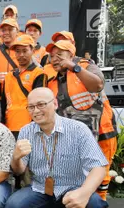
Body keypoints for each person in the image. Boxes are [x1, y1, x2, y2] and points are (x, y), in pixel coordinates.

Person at [5, 87, 109, 208]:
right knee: (14, 204)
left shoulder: (78, 129)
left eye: (41, 105)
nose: (36, 111)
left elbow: (99, 167)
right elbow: (19, 171)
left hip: (74, 188)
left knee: (95, 203)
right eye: (31, 107)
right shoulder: (26, 131)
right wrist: (16, 158)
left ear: (55, 104)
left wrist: (84, 193)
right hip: (40, 189)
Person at [45, 40, 117, 201]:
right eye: (51, 56)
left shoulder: (86, 66)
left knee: (100, 179)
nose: (55, 59)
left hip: (102, 133)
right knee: (80, 180)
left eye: (59, 55)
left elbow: (97, 85)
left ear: (71, 55)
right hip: (76, 140)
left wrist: (73, 67)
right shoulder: (52, 80)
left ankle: (100, 203)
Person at [4, 34, 47, 138]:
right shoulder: (9, 76)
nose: (21, 55)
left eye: (24, 50)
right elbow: (3, 103)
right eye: (17, 51)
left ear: (32, 50)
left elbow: (40, 103)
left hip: (30, 127)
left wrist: (35, 126)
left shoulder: (39, 74)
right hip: (9, 127)